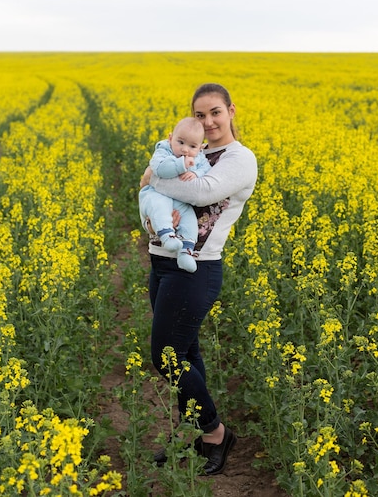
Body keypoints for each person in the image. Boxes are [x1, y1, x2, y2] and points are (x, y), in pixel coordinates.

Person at [140, 83, 258, 475]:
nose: (207, 122)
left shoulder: (239, 160)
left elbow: (202, 193)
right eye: (200, 114)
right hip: (161, 260)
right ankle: (197, 432)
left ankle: (216, 431)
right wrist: (151, 210)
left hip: (198, 267)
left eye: (215, 113)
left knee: (166, 356)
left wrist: (150, 179)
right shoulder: (194, 151)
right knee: (186, 353)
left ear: (231, 111)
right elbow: (149, 209)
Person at [139, 117, 211, 273]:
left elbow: (205, 168)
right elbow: (159, 170)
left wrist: (197, 173)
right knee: (161, 207)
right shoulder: (163, 150)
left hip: (178, 201)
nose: (185, 150)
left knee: (189, 219)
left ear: (199, 148)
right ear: (170, 138)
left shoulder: (198, 157)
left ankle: (186, 252)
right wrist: (181, 165)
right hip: (155, 194)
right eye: (181, 142)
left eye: (192, 146)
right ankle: (167, 237)